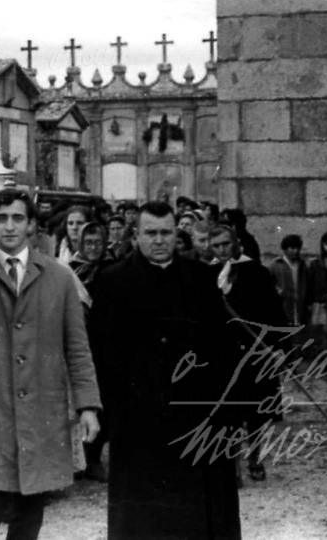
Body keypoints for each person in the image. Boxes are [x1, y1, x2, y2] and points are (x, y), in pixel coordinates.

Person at [0, 188, 100, 540]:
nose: (9, 226)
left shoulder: (58, 277)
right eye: (1, 219)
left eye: (17, 218)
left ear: (31, 225)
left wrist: (87, 406)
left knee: (30, 511)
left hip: (41, 411)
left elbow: (77, 347)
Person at [92, 201, 242, 539]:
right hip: (137, 420)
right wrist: (112, 415)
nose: (159, 240)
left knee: (196, 513)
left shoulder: (200, 278)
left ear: (176, 234)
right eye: (150, 233)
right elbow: (101, 353)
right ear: (136, 235)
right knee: (143, 516)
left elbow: (222, 350)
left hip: (194, 415)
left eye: (165, 233)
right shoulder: (112, 281)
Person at [210, 224, 286, 483]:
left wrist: (278, 348)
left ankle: (255, 457)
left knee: (256, 411)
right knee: (227, 411)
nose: (221, 250)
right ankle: (232, 465)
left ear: (235, 243)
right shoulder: (208, 273)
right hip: (223, 354)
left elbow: (274, 312)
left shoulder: (257, 272)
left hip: (255, 351)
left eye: (225, 244)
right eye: (216, 246)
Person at [68, 221, 115, 482]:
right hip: (79, 341)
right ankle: (78, 457)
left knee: (102, 401)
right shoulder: (70, 269)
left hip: (105, 343)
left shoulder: (113, 269)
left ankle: (94, 457)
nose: (93, 248)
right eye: (88, 243)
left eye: (98, 243)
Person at [270, 234, 310, 330]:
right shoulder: (276, 264)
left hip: (299, 303)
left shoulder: (302, 264)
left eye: (298, 248)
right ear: (285, 249)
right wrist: (278, 291)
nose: (296, 251)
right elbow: (270, 283)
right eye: (292, 248)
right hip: (284, 303)